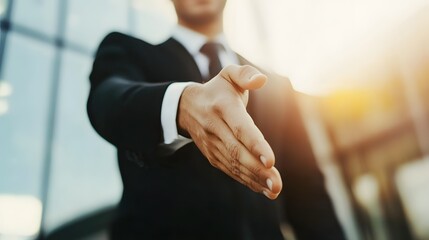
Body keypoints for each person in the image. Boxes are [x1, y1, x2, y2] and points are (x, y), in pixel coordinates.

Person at [87, 0, 345, 239]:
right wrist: (181, 104)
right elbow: (108, 100)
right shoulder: (127, 52)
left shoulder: (278, 88)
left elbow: (310, 200)